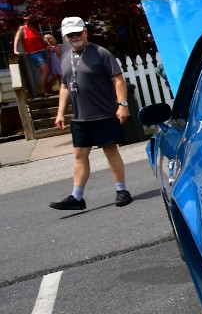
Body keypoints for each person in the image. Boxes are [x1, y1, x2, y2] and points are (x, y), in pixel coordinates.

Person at [49, 16, 134, 211]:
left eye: (78, 33)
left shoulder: (100, 53)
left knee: (110, 150)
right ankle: (77, 197)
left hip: (103, 113)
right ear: (65, 37)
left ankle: (122, 190)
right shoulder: (64, 57)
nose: (75, 37)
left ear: (85, 32)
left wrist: (123, 105)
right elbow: (64, 86)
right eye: (71, 34)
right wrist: (60, 113)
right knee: (79, 154)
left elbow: (118, 80)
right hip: (80, 117)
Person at [13, 16, 48, 97]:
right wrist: (15, 50)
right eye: (25, 20)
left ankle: (46, 89)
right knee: (46, 71)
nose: (27, 21)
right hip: (34, 53)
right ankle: (42, 91)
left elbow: (39, 40)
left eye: (29, 19)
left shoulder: (34, 28)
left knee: (44, 72)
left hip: (42, 51)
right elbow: (16, 39)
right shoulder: (22, 29)